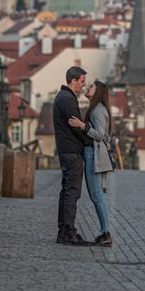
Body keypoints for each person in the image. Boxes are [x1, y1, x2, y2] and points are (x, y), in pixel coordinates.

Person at [69, 80, 113, 247]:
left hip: (94, 155)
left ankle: (106, 233)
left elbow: (101, 134)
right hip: (92, 154)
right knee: (97, 195)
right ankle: (105, 232)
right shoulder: (96, 109)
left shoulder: (98, 110)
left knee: (97, 195)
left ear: (98, 92)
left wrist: (82, 125)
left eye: (92, 87)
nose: (88, 88)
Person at [53, 66, 93, 246]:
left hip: (66, 150)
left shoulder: (63, 97)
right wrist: (91, 141)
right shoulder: (68, 99)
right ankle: (68, 232)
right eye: (82, 82)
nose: (83, 87)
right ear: (73, 80)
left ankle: (63, 231)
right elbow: (76, 127)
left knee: (67, 191)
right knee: (72, 192)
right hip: (71, 151)